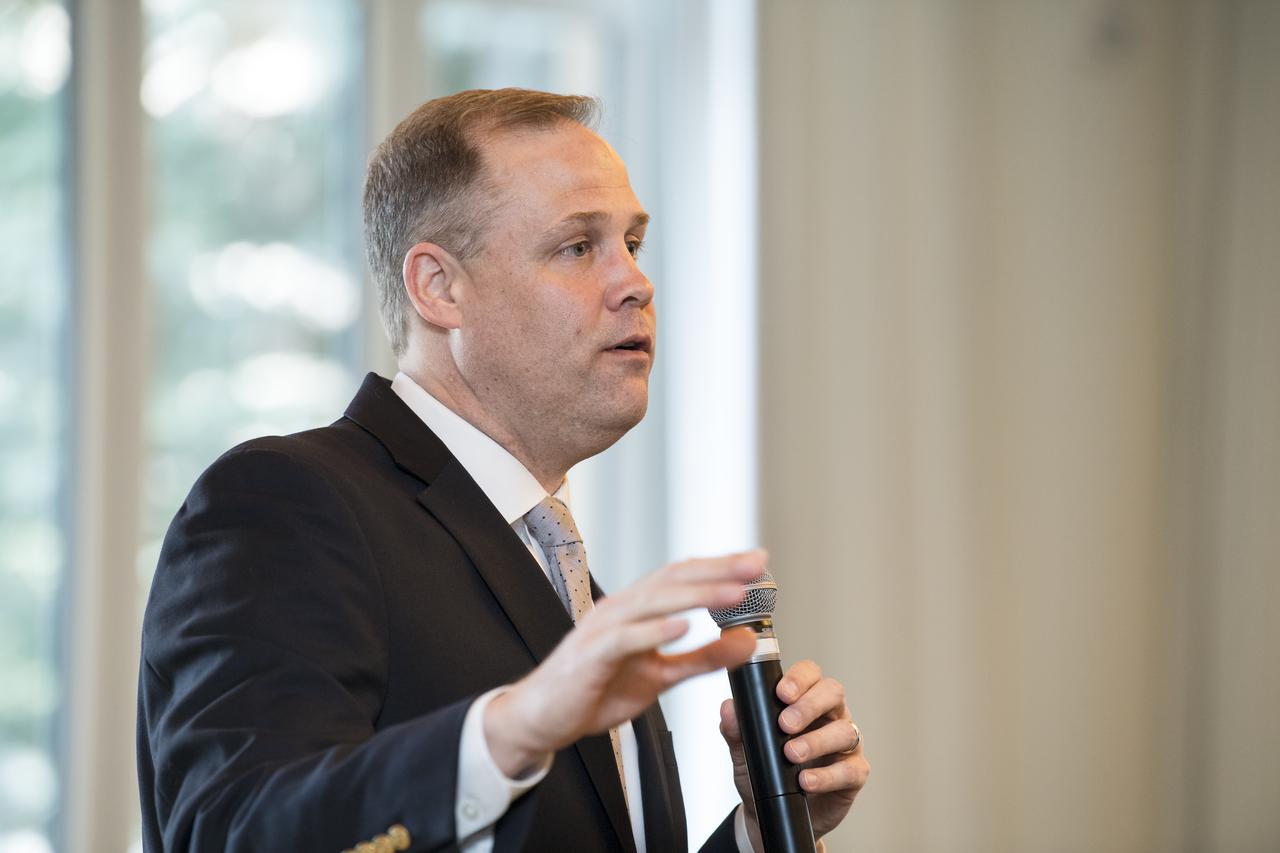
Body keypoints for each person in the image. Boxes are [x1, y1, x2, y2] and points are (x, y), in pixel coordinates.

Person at [137, 88, 869, 853]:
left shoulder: (581, 596)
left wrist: (761, 828)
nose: (635, 283)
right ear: (439, 288)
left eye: (633, 243)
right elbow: (234, 832)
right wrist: (511, 729)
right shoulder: (287, 503)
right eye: (578, 246)